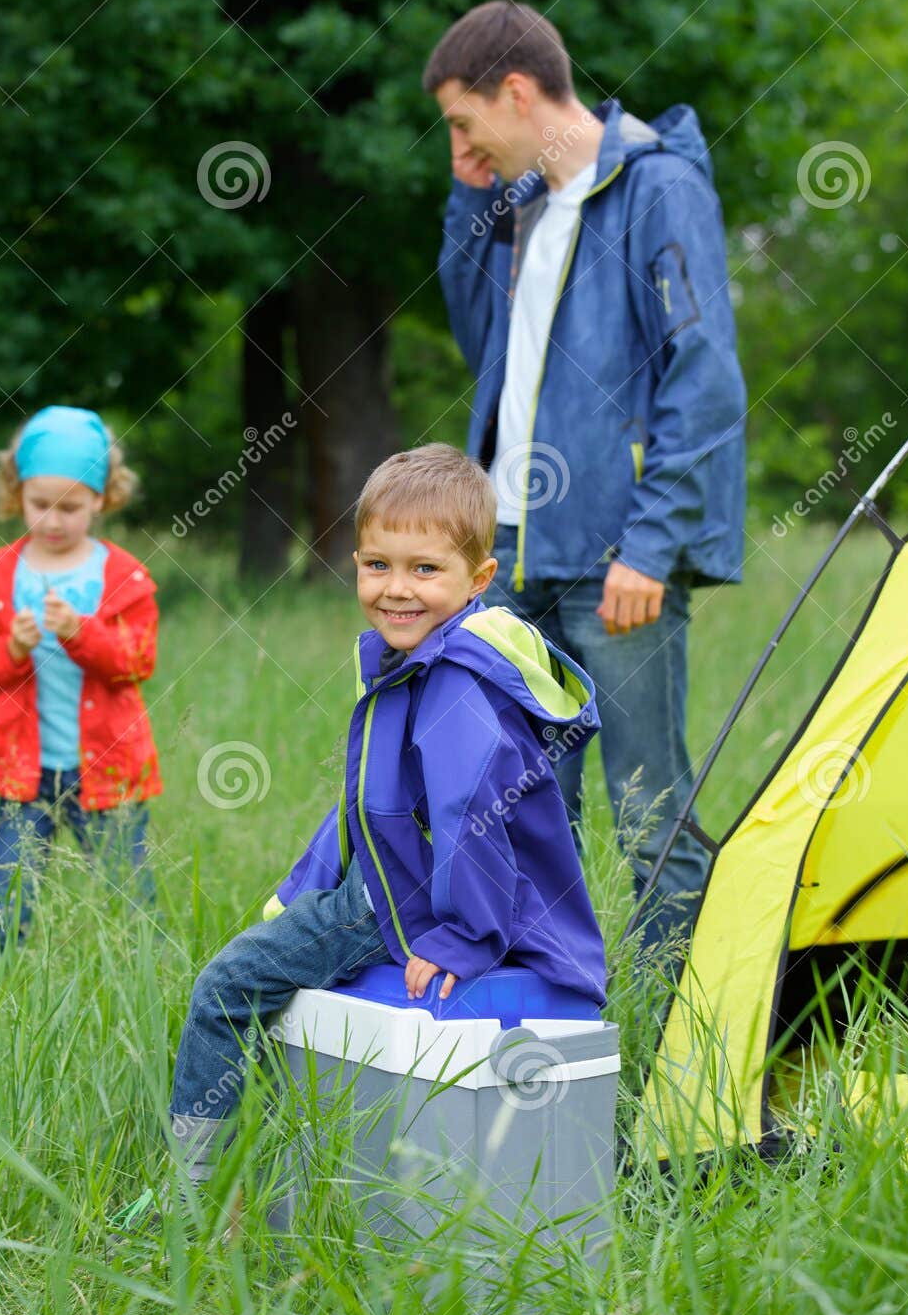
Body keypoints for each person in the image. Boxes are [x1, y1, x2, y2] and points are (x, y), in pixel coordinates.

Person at [115, 443, 604, 1228]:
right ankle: (263, 1171)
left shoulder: (454, 684)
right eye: (377, 565)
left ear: (478, 579)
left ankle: (200, 1202)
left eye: (424, 570)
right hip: (402, 883)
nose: (396, 589)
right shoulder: (423, 657)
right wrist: (300, 888)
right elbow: (369, 807)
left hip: (403, 905)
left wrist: (461, 939)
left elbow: (470, 823)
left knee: (225, 992)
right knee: (280, 989)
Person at [422, 0, 747, 970]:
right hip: (514, 554)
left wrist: (651, 546)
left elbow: (703, 376)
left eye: (462, 121)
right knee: (525, 815)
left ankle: (674, 1050)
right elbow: (480, 340)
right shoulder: (520, 206)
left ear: (514, 92)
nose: (461, 141)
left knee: (647, 816)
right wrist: (461, 193)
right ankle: (559, 1026)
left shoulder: (656, 190)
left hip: (616, 560)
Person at [0, 404, 162, 954]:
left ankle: (148, 978)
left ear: (101, 498)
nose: (52, 521)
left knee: (127, 898)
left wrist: (80, 633)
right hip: (26, 769)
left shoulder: (124, 576)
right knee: (9, 895)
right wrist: (15, 648)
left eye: (70, 506)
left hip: (106, 767)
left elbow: (138, 661)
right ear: (16, 493)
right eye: (39, 504)